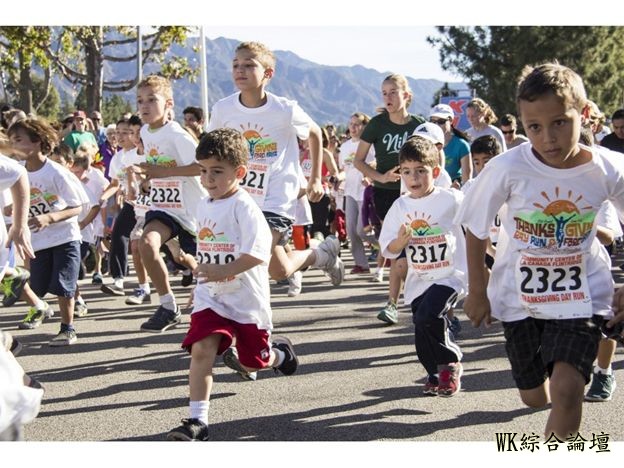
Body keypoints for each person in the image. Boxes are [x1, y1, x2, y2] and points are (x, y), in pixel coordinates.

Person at [457, 63, 624, 439]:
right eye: (534, 127)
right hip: (520, 297)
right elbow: (474, 228)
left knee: (567, 392)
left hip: (582, 294)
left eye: (560, 123)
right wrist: (478, 290)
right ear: (522, 123)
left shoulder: (609, 169)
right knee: (535, 397)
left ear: (583, 116)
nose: (548, 138)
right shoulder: (505, 168)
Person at [166, 128, 298, 441]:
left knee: (255, 361)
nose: (207, 179)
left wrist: (224, 271)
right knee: (202, 350)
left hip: (246, 300)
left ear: (239, 172)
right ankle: (197, 422)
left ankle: (281, 356)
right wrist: (199, 282)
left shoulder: (245, 207)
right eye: (202, 171)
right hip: (211, 298)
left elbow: (257, 254)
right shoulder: (203, 205)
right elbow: (209, 253)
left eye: (216, 171)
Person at [206, 41, 343, 293]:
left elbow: (314, 133)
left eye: (249, 65)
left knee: (257, 248)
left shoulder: (284, 109)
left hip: (278, 196)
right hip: (243, 195)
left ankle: (248, 319)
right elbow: (210, 148)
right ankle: (321, 255)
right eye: (236, 65)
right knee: (278, 270)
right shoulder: (223, 109)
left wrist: (313, 179)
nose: (240, 70)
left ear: (268, 74)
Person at [379, 136, 465, 396]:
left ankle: (451, 362)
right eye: (406, 172)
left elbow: (477, 225)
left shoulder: (452, 199)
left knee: (430, 315)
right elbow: (387, 248)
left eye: (421, 171)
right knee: (421, 328)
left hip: (450, 276)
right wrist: (400, 242)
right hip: (419, 280)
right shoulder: (400, 206)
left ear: (436, 172)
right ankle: (434, 372)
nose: (413, 177)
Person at [135, 75, 206, 333]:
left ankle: (216, 312)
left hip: (192, 212)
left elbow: (201, 167)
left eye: (152, 100)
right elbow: (158, 166)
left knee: (202, 269)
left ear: (168, 104)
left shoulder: (178, 135)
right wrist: (148, 179)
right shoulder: (144, 131)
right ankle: (167, 306)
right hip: (164, 208)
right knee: (146, 243)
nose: (144, 106)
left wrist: (160, 172)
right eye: (140, 101)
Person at [353, 73, 425, 324]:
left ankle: (428, 302)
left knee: (418, 248)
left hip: (416, 193)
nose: (388, 97)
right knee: (399, 249)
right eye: (384, 93)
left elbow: (431, 158)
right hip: (386, 195)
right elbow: (358, 161)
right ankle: (393, 304)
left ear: (406, 95)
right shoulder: (377, 124)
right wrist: (380, 177)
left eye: (393, 92)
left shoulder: (418, 125)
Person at [8, 117, 84, 346]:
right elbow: (9, 204)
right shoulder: (16, 172)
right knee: (38, 285)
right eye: (11, 140)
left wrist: (50, 217)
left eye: (18, 140)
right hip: (38, 242)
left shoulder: (56, 172)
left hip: (65, 238)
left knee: (63, 285)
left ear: (37, 141)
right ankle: (41, 309)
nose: (13, 145)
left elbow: (77, 206)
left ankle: (67, 328)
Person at [98, 118, 142, 297]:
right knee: (118, 235)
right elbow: (115, 183)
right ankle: (118, 280)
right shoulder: (118, 158)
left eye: (126, 132)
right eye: (118, 132)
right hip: (132, 205)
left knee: (171, 247)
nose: (121, 136)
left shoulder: (143, 153)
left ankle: (184, 266)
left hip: (153, 204)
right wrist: (103, 197)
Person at [340, 112, 377, 274]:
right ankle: (361, 264)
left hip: (365, 192)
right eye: (351, 124)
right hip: (349, 191)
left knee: (362, 230)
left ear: (364, 126)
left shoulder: (370, 144)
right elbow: (344, 169)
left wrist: (369, 175)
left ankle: (388, 247)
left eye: (357, 124)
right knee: (351, 230)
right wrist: (337, 179)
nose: (353, 128)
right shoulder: (345, 146)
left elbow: (377, 161)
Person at [429, 103, 472, 186]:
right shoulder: (426, 144)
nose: (436, 125)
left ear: (451, 121)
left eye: (441, 121)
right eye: (433, 121)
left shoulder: (462, 145)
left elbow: (467, 182)